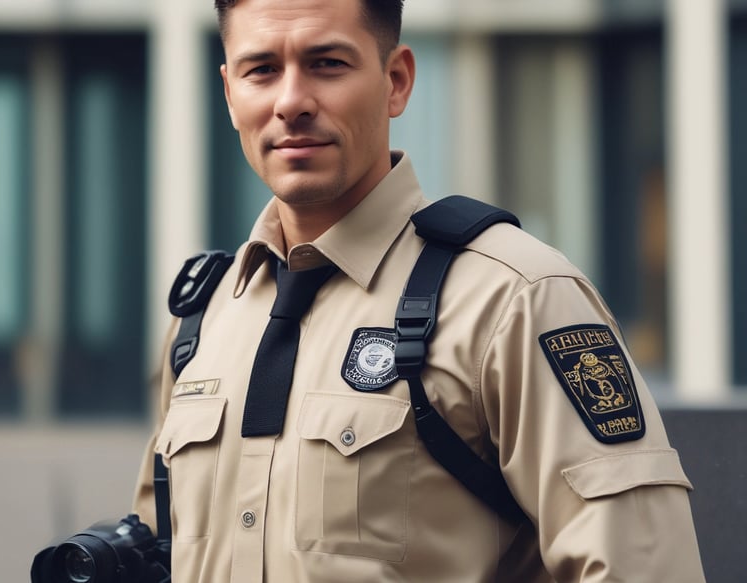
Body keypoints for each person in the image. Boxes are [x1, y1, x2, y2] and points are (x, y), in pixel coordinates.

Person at [132, 0, 706, 581]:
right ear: (230, 93)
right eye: (262, 70)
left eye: (327, 63)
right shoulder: (202, 319)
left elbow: (645, 566)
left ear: (396, 81)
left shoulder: (512, 298)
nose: (291, 102)